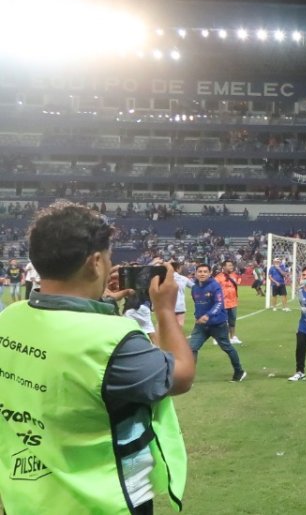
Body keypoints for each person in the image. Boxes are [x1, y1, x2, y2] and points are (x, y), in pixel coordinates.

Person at [0, 202, 193, 513]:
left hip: (24, 498)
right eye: (109, 256)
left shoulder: (9, 318)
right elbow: (181, 375)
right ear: (95, 262)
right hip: (98, 503)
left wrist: (100, 302)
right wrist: (165, 310)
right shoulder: (112, 339)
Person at [189, 262, 247, 382]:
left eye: (205, 272)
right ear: (195, 273)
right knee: (191, 348)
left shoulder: (214, 285)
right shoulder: (194, 287)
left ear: (210, 273)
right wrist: (198, 316)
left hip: (217, 324)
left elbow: (219, 303)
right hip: (201, 325)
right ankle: (189, 376)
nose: (202, 274)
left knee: (227, 347)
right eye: (199, 271)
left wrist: (208, 315)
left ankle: (239, 371)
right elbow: (197, 303)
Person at [217, 260, 242, 344]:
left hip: (233, 302)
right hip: (223, 302)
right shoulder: (218, 277)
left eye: (232, 265)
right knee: (222, 321)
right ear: (223, 267)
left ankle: (233, 337)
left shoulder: (234, 275)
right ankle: (219, 338)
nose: (231, 267)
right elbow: (215, 289)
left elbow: (238, 281)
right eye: (229, 265)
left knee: (232, 321)